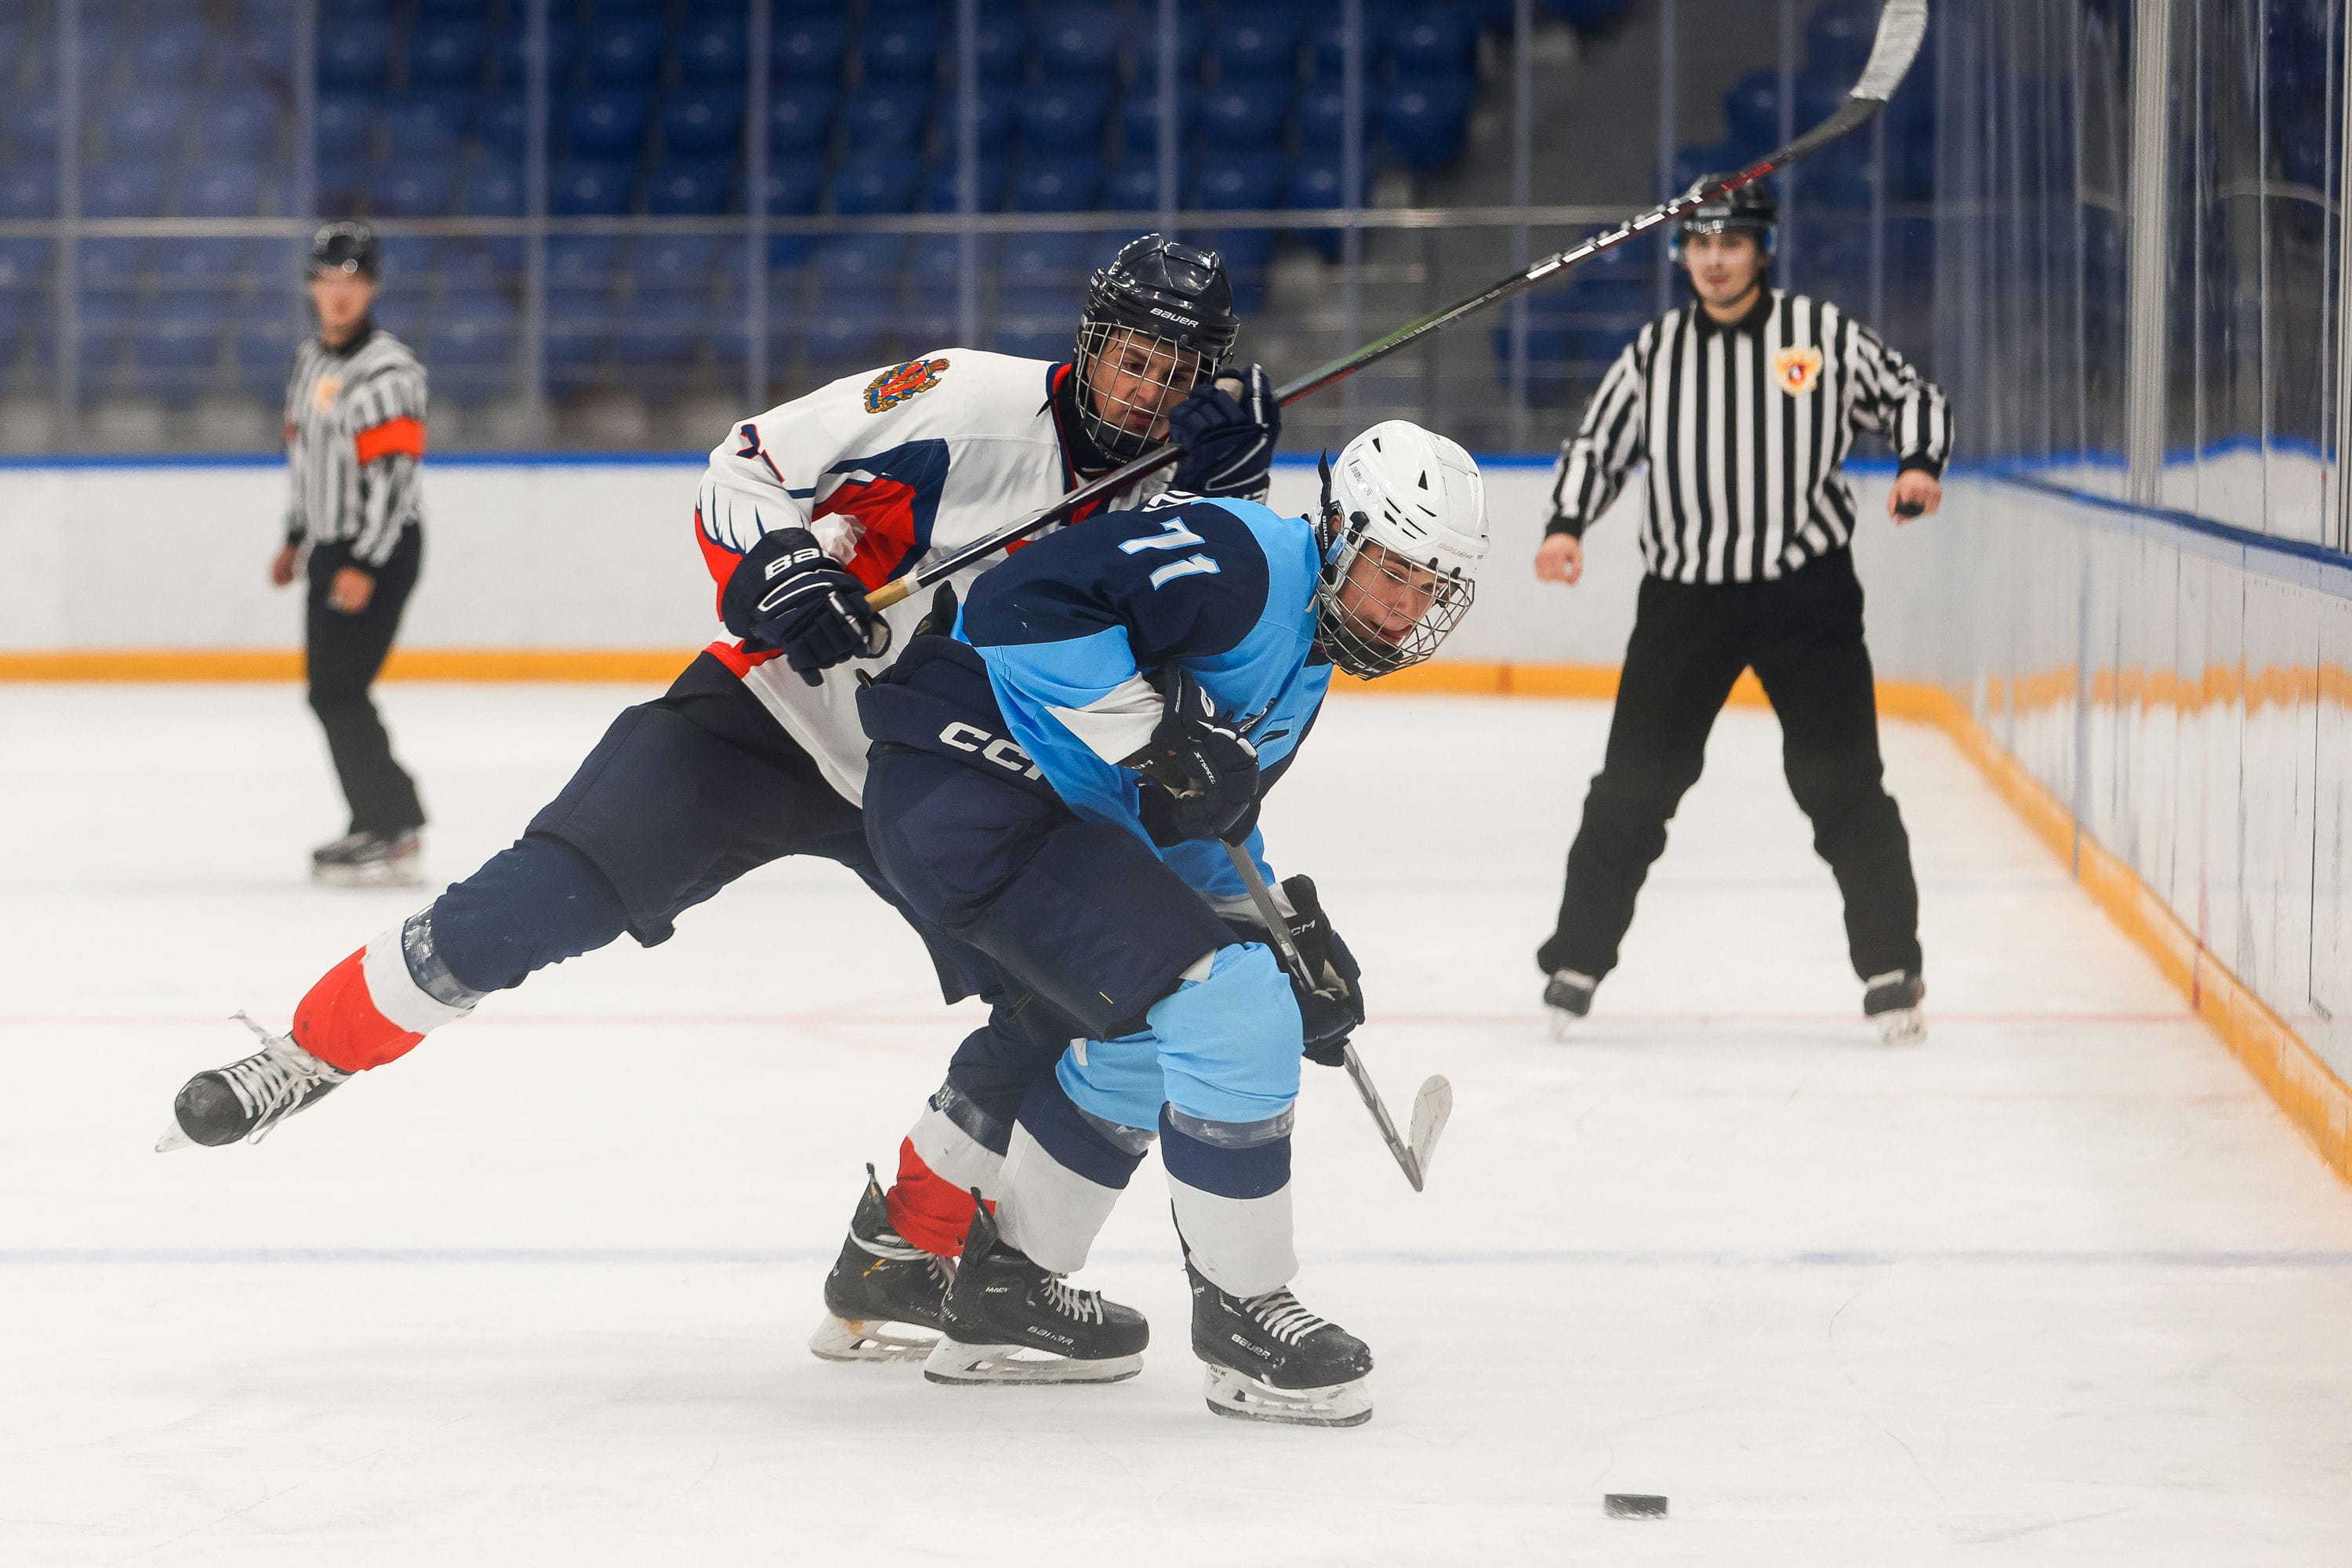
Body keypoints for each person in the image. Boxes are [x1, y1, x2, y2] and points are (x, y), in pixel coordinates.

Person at [155, 235, 1283, 1154]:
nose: (1148, 392)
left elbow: (1196, 667)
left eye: (1175, 374)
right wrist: (785, 570)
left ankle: (911, 1257)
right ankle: (311, 1051)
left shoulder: (1185, 498)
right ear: (1092, 340)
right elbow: (748, 461)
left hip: (962, 781)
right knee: (537, 898)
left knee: (1072, 1010)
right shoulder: (961, 398)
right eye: (1133, 359)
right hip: (776, 717)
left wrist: (1232, 508)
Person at [840, 420, 1488, 1427]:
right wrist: (1156, 736)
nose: (1405, 607)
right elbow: (1019, 603)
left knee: (1162, 1022)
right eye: (1392, 569)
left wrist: (1279, 929)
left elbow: (1191, 823)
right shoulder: (1243, 559)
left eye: (1429, 587)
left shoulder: (1307, 663)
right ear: (1340, 529)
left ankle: (1008, 1290)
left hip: (1039, 816)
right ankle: (1244, 1314)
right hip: (970, 783)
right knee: (1232, 1008)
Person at [1530, 182, 1955, 1045]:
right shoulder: (1656, 351)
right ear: (1682, 253)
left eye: (1731, 243)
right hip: (1686, 600)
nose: (1714, 260)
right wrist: (1567, 523)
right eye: (1700, 244)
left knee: (1841, 782)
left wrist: (1919, 461)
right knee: (1633, 787)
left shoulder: (1820, 335)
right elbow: (1600, 443)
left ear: (1762, 250)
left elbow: (1914, 396)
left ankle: (1891, 969)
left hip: (1806, 596)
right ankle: (1575, 960)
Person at [277, 221, 431, 885]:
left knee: (338, 691)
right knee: (331, 692)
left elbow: (395, 480)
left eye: (355, 279)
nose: (340, 292)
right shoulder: (311, 360)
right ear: (311, 286)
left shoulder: (389, 371)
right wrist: (295, 536)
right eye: (328, 279)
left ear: (373, 288)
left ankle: (391, 825)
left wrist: (365, 562)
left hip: (376, 548)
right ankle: (384, 821)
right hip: (331, 545)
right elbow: (307, 459)